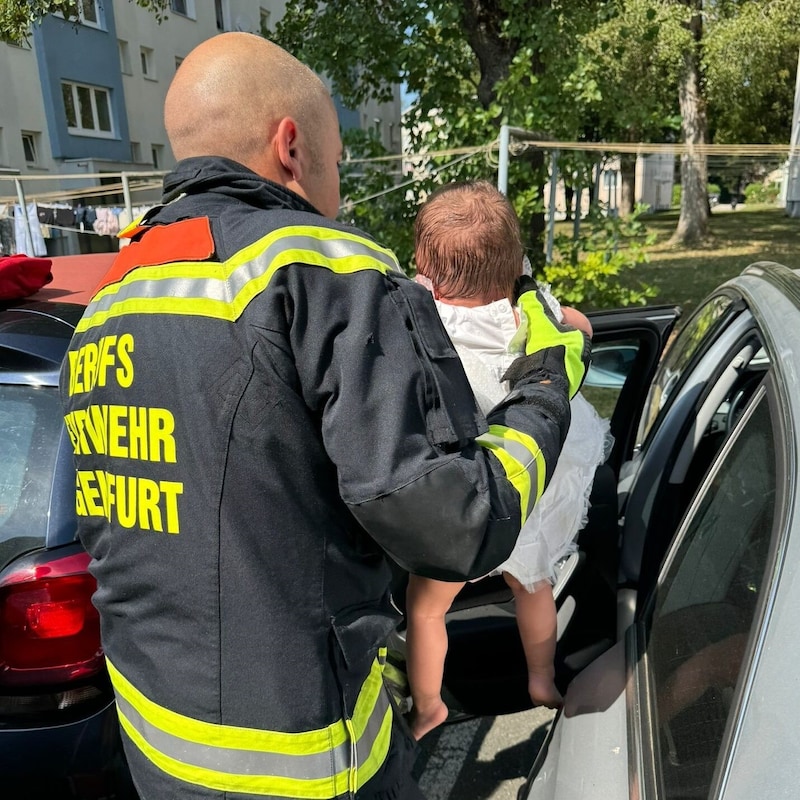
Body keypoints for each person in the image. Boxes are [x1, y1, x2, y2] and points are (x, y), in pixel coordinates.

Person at [59, 33, 590, 800]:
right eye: (338, 163)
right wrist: (542, 387)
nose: (337, 186)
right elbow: (452, 523)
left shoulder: (109, 302)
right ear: (291, 145)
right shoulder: (319, 268)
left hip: (155, 743)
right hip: (306, 760)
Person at [406, 181, 610, 740]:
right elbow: (582, 330)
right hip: (534, 483)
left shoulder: (423, 321)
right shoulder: (532, 315)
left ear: (425, 268)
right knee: (533, 584)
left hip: (469, 495)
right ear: (516, 263)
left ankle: (428, 705)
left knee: (426, 607)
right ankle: (541, 678)